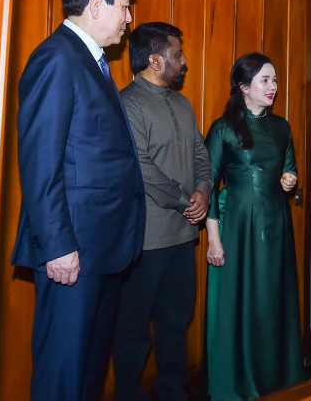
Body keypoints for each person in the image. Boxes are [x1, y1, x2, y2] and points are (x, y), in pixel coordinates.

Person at [11, 0, 145, 401]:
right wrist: (58, 245)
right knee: (62, 376)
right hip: (74, 250)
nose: (129, 18)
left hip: (102, 248)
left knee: (88, 373)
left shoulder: (94, 62)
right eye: (125, 6)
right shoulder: (56, 59)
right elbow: (39, 163)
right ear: (96, 6)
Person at [112, 22, 212, 401]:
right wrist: (186, 201)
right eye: (177, 54)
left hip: (184, 237)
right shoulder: (128, 102)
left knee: (175, 322)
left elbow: (201, 153)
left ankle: (174, 393)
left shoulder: (183, 103)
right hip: (146, 239)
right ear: (155, 60)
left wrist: (203, 190)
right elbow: (140, 168)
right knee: (133, 328)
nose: (184, 61)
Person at [204, 53, 302, 400]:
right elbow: (207, 187)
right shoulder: (223, 128)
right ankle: (239, 384)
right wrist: (214, 240)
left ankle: (277, 381)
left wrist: (290, 179)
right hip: (238, 228)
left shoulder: (281, 126)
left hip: (276, 224)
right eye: (264, 80)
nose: (272, 86)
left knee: (272, 302)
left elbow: (290, 170)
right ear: (244, 87)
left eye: (274, 79)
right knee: (242, 304)